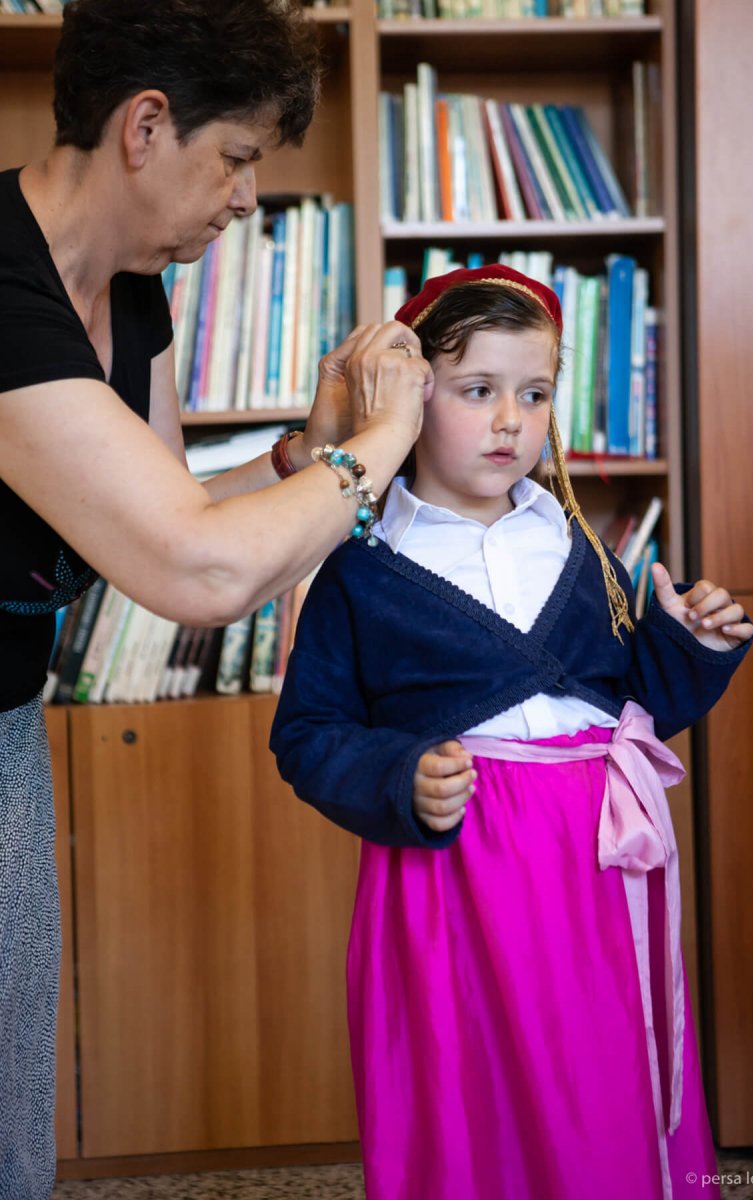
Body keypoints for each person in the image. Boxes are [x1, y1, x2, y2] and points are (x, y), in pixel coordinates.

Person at [0, 1, 430, 1195]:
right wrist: (386, 442)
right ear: (145, 126)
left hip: (3, 720)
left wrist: (307, 454)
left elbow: (164, 499)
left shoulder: (134, 288)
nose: (248, 198)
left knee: (6, 1094)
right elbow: (196, 569)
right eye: (237, 158)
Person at [270, 264, 753, 1200]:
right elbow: (309, 733)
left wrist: (686, 646)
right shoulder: (359, 568)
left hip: (597, 875)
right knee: (474, 1102)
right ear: (410, 403)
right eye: (478, 391)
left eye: (533, 395)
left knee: (600, 1084)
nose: (510, 421)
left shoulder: (580, 548)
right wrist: (398, 773)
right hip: (454, 882)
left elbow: (635, 703)